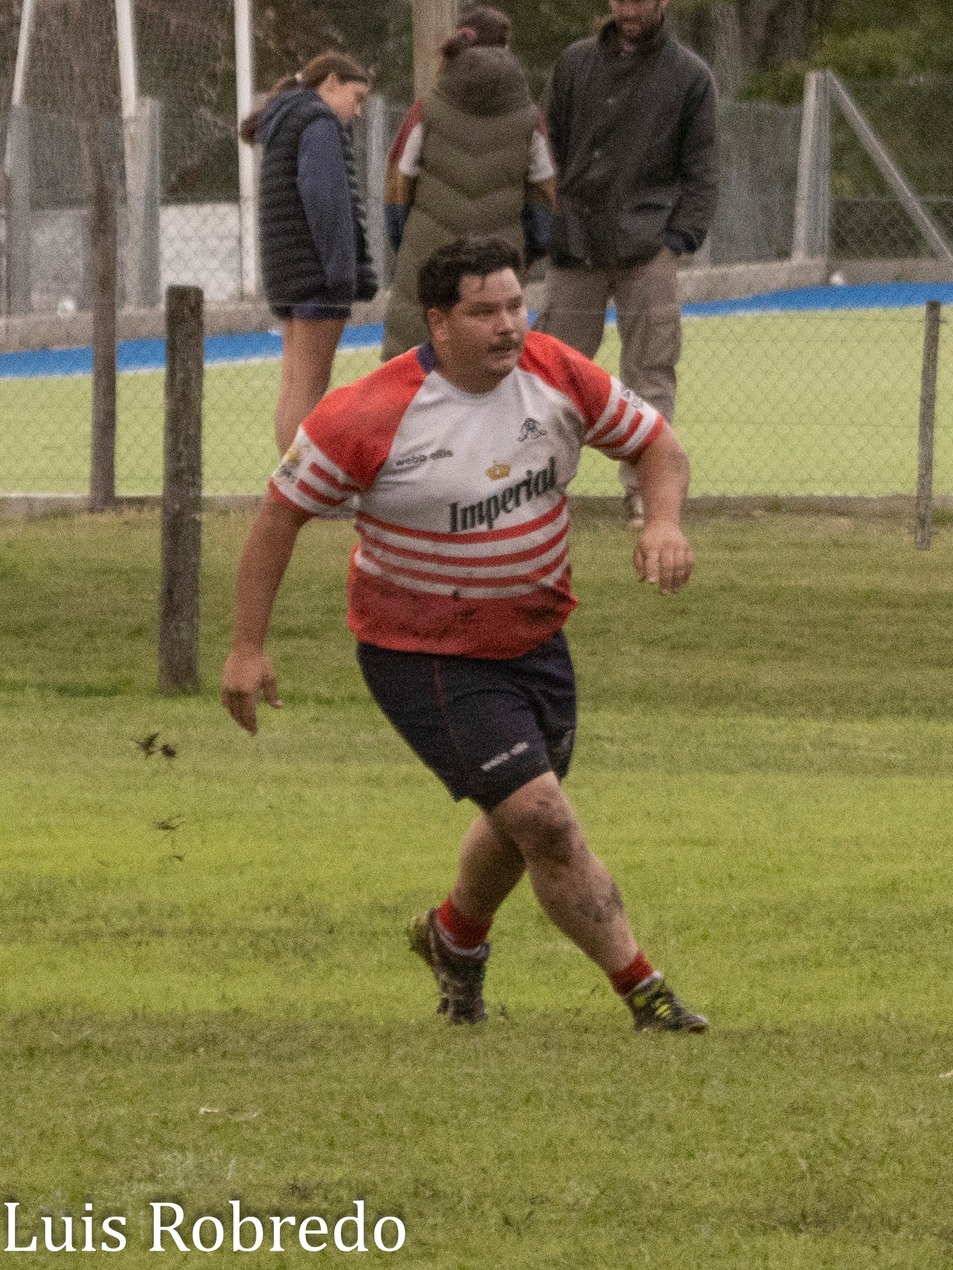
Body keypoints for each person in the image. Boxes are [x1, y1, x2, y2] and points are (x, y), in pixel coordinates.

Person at [220, 236, 705, 1034]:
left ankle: (454, 938)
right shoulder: (370, 412)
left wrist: (663, 522)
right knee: (543, 816)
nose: (508, 325)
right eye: (484, 312)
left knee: (518, 826)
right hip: (422, 654)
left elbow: (657, 444)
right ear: (438, 321)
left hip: (536, 641)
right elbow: (279, 517)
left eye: (516, 305)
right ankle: (646, 993)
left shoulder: (557, 375)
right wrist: (246, 647)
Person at [539, 0, 718, 528]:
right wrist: (550, 222)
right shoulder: (574, 64)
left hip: (649, 245)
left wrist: (679, 239)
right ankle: (542, 485)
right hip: (576, 242)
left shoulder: (690, 75)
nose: (628, 8)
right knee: (556, 372)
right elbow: (549, 149)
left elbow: (703, 167)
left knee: (651, 372)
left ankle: (647, 492)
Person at [381, 7, 556, 359]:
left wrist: (407, 242)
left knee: (415, 370)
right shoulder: (529, 116)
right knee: (494, 365)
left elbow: (398, 183)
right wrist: (527, 249)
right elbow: (544, 194)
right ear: (506, 48)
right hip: (499, 257)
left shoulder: (426, 108)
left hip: (427, 258)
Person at [240, 51, 380, 456]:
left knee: (293, 387)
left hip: (289, 271)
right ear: (331, 82)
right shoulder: (318, 122)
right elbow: (325, 200)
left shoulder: (287, 120)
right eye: (356, 97)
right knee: (310, 389)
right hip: (317, 274)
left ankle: (293, 482)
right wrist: (341, 272)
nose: (357, 110)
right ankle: (302, 488)